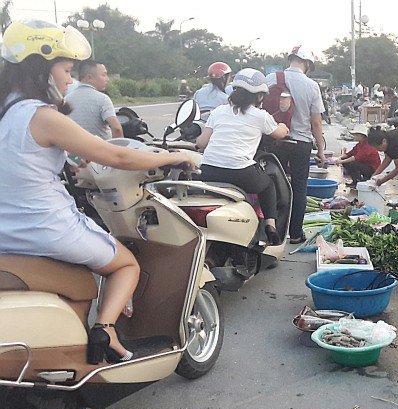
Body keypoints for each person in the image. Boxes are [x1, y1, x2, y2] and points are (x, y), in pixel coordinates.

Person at [0, 20, 196, 364]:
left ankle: (68, 349)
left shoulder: (6, 111)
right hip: (44, 228)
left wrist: (66, 168)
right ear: (42, 67)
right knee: (125, 265)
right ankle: (106, 331)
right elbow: (116, 154)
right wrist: (176, 155)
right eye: (66, 68)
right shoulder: (41, 114)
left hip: (7, 232)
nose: (68, 79)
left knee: (78, 285)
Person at [195, 68, 289, 245]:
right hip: (240, 172)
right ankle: (270, 225)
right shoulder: (261, 116)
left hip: (208, 171)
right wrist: (283, 126)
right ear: (260, 96)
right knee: (268, 185)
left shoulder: (218, 112)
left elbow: (201, 143)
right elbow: (280, 133)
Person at [265, 45, 326, 244]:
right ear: (307, 63)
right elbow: (316, 122)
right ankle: (296, 234)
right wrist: (321, 151)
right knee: (299, 188)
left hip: (276, 140)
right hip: (301, 143)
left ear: (290, 58)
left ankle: (272, 231)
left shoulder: (271, 79)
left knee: (273, 185)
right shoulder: (311, 86)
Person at [64, 59, 123, 139]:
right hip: (101, 149)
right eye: (103, 75)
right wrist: (118, 148)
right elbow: (117, 128)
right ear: (89, 78)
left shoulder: (66, 99)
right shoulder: (103, 99)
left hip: (74, 149)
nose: (107, 79)